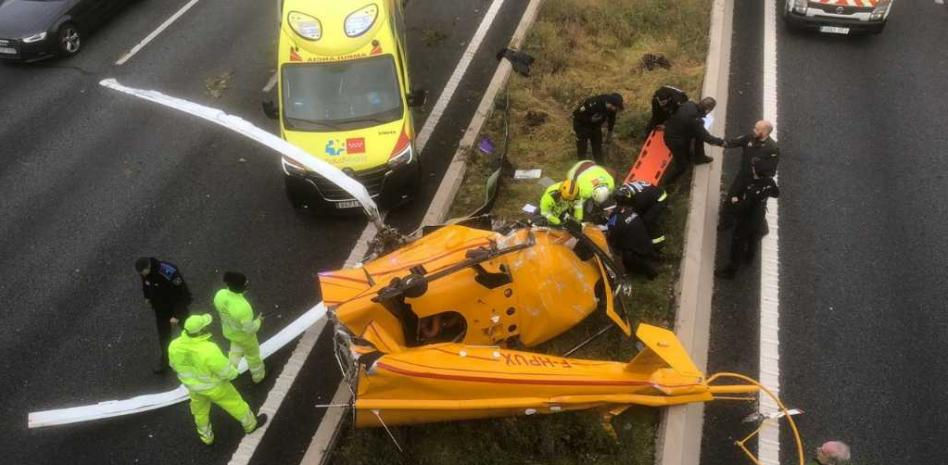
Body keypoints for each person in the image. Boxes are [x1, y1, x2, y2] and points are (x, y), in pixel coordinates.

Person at [168, 314, 267, 446]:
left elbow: (173, 365)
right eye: (205, 326)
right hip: (215, 388)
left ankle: (206, 437)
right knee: (235, 404)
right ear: (200, 331)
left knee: (200, 412)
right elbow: (226, 371)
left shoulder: (174, 345)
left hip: (194, 388)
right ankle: (251, 425)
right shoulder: (209, 349)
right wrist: (234, 374)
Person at [715, 161, 780, 279]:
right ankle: (749, 257)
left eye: (754, 167)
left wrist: (735, 202)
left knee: (738, 244)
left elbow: (742, 207)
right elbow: (776, 193)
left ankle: (731, 271)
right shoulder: (769, 182)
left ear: (756, 172)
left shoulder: (752, 189)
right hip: (759, 217)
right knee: (753, 238)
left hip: (746, 221)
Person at [135, 257, 192, 374]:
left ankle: (200, 352)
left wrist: (176, 315)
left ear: (148, 267)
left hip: (176, 306)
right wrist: (147, 297)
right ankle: (166, 361)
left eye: (143, 272)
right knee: (164, 336)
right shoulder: (145, 273)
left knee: (190, 330)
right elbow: (146, 284)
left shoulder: (168, 272)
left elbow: (182, 293)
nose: (142, 275)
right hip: (161, 309)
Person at [213, 272, 265, 383]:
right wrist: (258, 321)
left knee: (235, 352)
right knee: (253, 356)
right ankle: (258, 377)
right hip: (245, 337)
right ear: (242, 287)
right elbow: (250, 329)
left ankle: (229, 373)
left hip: (229, 332)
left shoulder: (220, 295)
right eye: (246, 284)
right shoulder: (243, 308)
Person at [663, 96, 725, 184]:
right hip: (675, 142)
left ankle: (700, 157)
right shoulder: (695, 121)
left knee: (698, 135)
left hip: (672, 131)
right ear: (707, 110)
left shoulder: (689, 104)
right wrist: (722, 142)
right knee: (682, 166)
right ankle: (666, 184)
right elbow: (708, 138)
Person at [723, 120, 779, 197]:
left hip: (756, 181)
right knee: (732, 197)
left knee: (751, 202)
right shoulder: (749, 138)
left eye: (757, 129)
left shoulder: (772, 148)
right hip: (743, 175)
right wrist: (713, 140)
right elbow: (731, 143)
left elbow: (771, 170)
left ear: (765, 132)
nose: (753, 130)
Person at [606, 205, 660, 280]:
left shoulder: (613, 223)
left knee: (624, 255)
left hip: (636, 249)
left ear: (609, 211)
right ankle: (655, 257)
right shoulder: (628, 210)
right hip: (646, 239)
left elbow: (613, 240)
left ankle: (649, 271)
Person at [614, 180, 668, 247]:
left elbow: (637, 214)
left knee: (647, 220)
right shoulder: (627, 188)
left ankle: (658, 243)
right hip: (656, 192)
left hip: (660, 199)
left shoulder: (639, 199)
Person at [572, 93, 624, 163]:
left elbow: (612, 119)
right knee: (582, 148)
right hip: (582, 126)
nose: (615, 109)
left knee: (597, 148)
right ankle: (582, 165)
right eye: (615, 107)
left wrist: (610, 132)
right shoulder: (593, 103)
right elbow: (576, 114)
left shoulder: (612, 109)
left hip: (595, 126)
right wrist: (590, 119)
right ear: (610, 103)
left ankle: (600, 166)